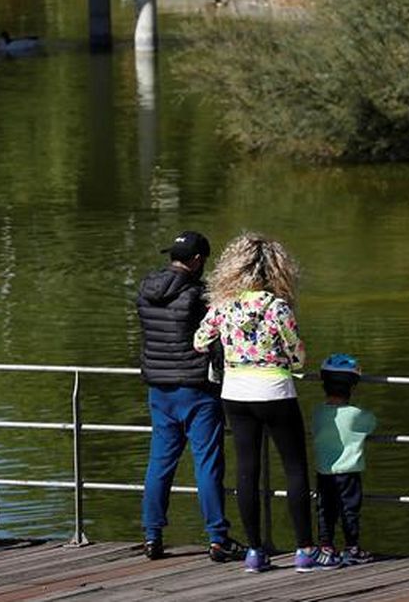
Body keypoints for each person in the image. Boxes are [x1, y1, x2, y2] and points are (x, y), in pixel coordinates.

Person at [193, 232, 333, 573]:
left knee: (246, 470)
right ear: (276, 270)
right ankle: (304, 549)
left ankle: (255, 552)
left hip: (236, 393)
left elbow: (199, 341)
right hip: (275, 391)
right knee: (295, 468)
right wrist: (293, 363)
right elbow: (297, 353)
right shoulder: (277, 307)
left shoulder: (223, 306)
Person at [136, 230, 244, 563]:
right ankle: (217, 538)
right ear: (197, 261)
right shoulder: (199, 296)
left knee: (159, 464)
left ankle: (152, 536)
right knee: (207, 464)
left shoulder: (145, 289)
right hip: (197, 389)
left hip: (159, 389)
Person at [312, 353, 377, 568]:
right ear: (352, 386)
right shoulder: (356, 414)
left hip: (324, 471)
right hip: (349, 472)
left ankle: (326, 546)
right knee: (350, 509)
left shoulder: (318, 413)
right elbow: (372, 424)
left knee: (325, 509)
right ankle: (352, 547)